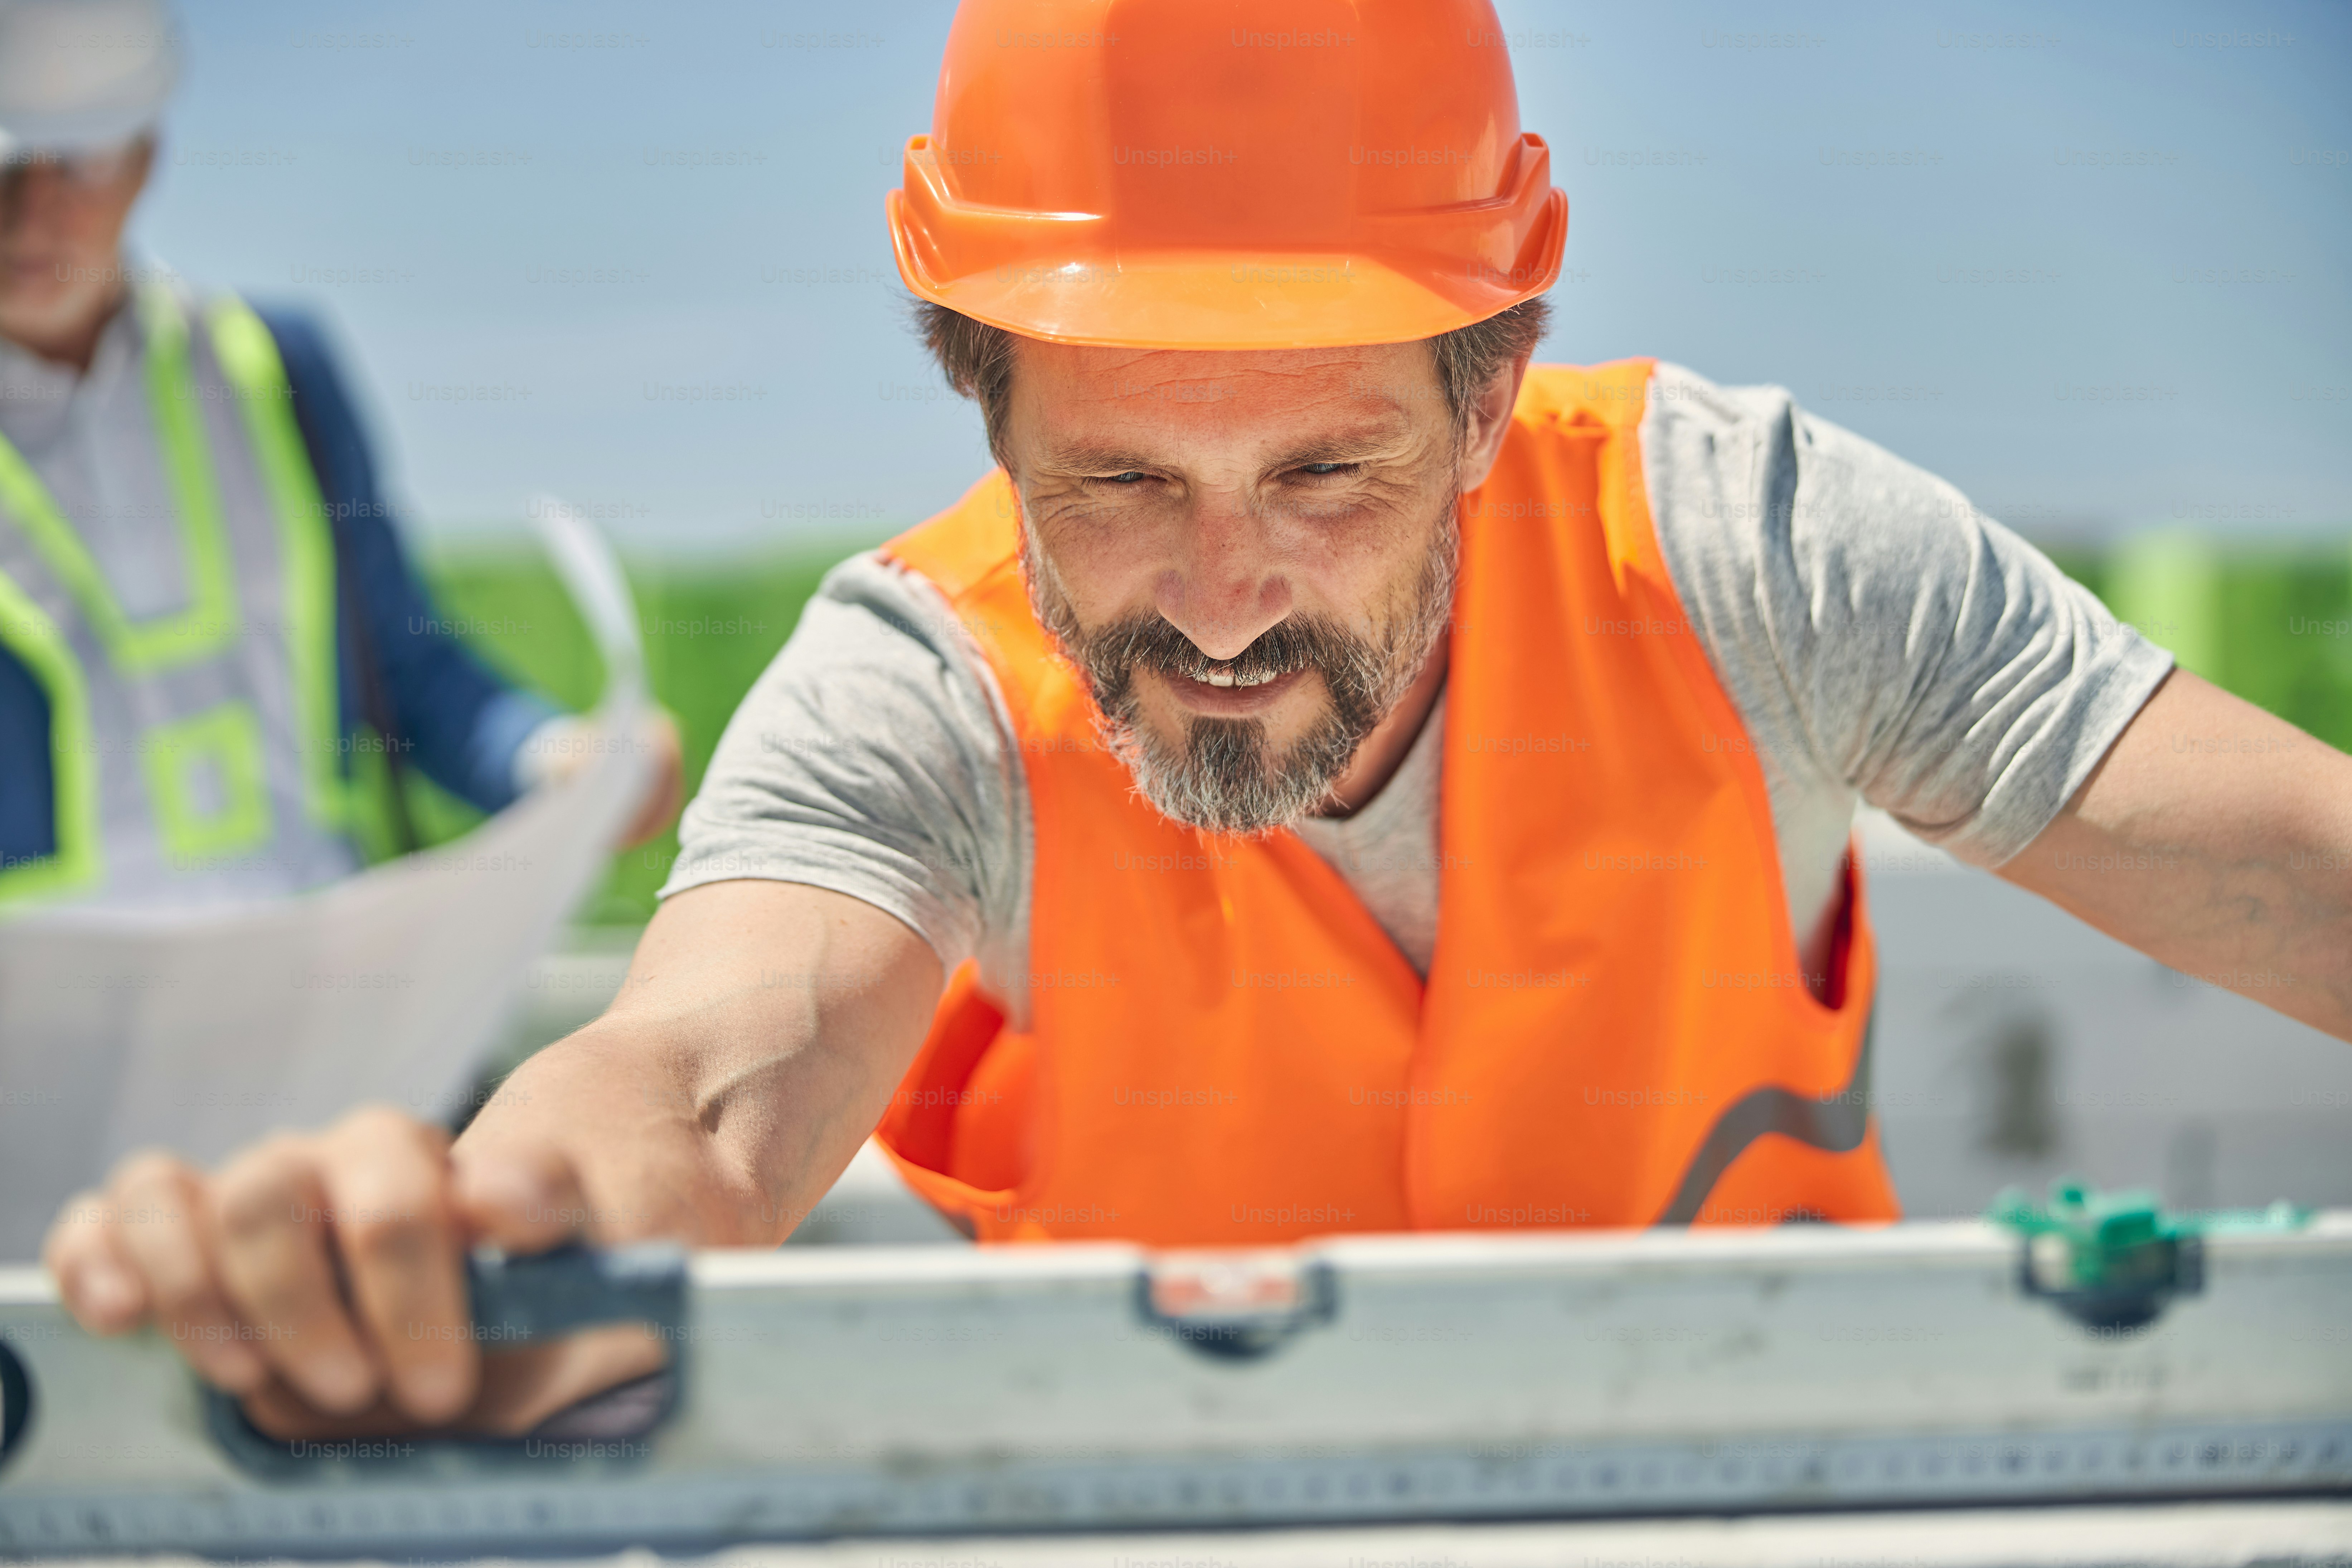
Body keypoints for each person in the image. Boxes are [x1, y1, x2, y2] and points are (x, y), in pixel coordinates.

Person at [43, 0, 2352, 1437]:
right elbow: (697, 1088)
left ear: (1491, 387)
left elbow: (2292, 871)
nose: (1223, 599)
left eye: (1323, 472)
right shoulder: (913, 685)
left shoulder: (1751, 545)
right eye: (1119, 482)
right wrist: (474, 1240)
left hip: (1781, 1496)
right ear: (983, 403)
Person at [0, 0, 682, 911]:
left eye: (76, 160)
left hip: (318, 994)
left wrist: (556, 759)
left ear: (145, 157)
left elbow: (400, 663)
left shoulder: (280, 371)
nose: (31, 206)